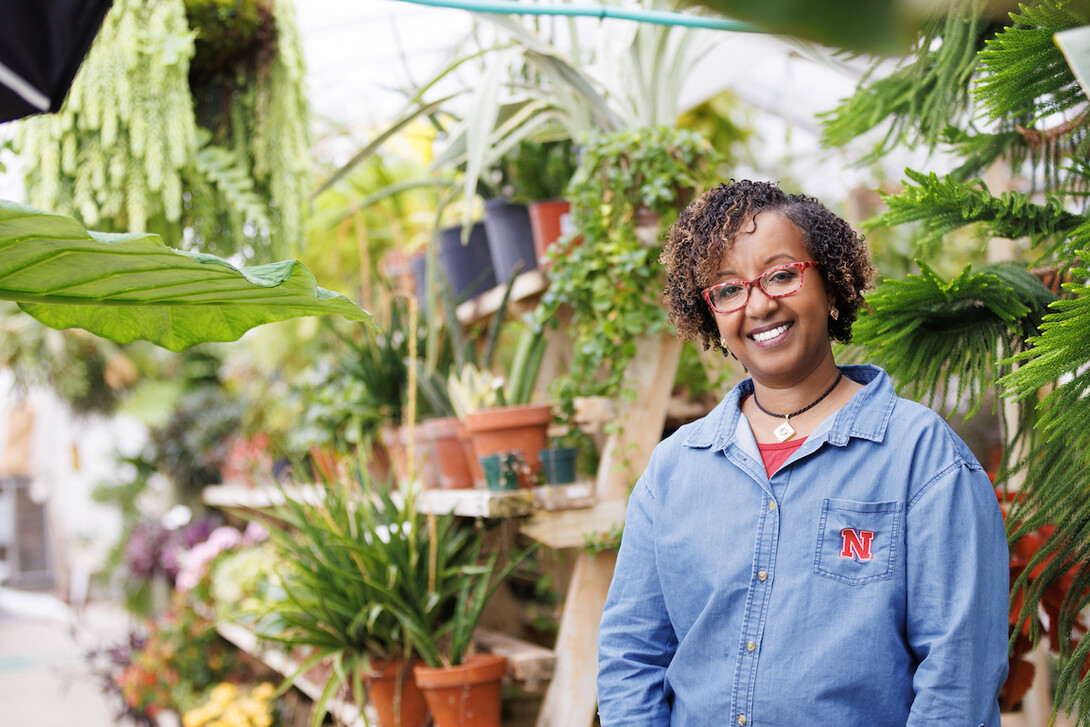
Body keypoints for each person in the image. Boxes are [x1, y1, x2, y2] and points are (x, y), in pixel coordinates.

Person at [596, 180, 1009, 726]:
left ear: (832, 283)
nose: (760, 304)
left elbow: (960, 675)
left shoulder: (923, 460)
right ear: (711, 314)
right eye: (728, 289)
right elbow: (631, 657)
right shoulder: (674, 470)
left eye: (782, 275)